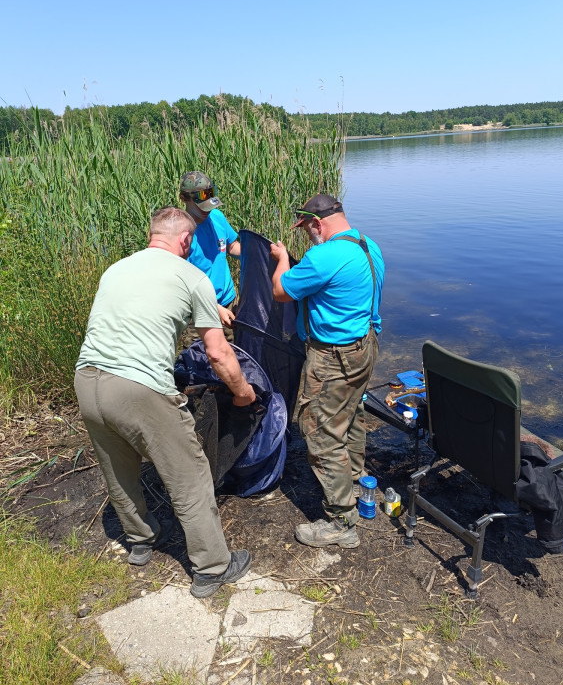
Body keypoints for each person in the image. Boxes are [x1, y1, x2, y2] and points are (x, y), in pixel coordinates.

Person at [74, 207, 255, 598]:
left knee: (118, 469)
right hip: (138, 388)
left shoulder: (116, 269)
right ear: (186, 241)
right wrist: (243, 393)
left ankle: (141, 540)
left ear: (152, 233)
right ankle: (213, 567)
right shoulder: (193, 276)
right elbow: (219, 354)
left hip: (87, 380)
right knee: (189, 476)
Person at [270, 194, 384, 548]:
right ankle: (355, 479)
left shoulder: (324, 256)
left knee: (319, 432)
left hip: (333, 357)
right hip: (365, 346)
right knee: (351, 414)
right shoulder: (368, 245)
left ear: (317, 224)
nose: (307, 235)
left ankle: (341, 520)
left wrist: (282, 260)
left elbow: (279, 291)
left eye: (306, 228)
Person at [179, 171, 240, 337]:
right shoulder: (181, 233)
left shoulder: (217, 217)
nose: (208, 209)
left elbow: (232, 245)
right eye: (201, 204)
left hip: (228, 303)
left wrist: (256, 253)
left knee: (232, 356)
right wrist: (214, 308)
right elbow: (184, 285)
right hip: (199, 313)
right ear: (184, 198)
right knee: (200, 359)